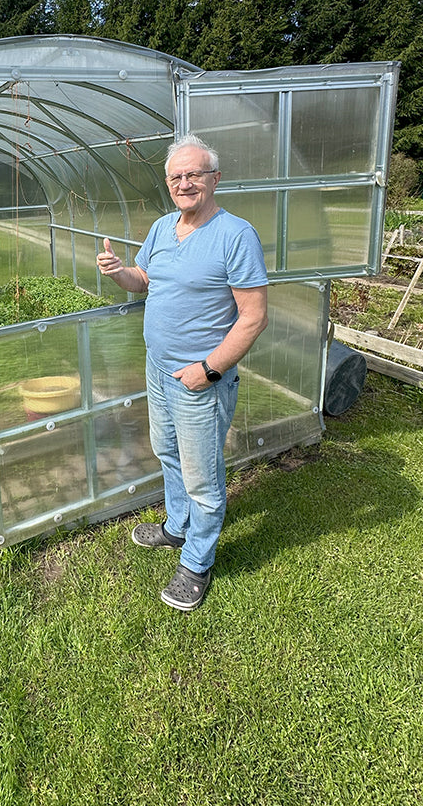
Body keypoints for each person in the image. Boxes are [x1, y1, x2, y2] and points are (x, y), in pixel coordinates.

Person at [97, 134, 268, 611]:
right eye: (176, 177)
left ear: (215, 179)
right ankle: (178, 527)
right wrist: (117, 272)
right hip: (158, 369)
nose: (184, 183)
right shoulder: (162, 228)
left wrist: (209, 370)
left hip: (199, 380)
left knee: (203, 477)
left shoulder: (235, 235)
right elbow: (144, 279)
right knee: (167, 451)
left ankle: (196, 563)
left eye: (194, 174)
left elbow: (254, 317)